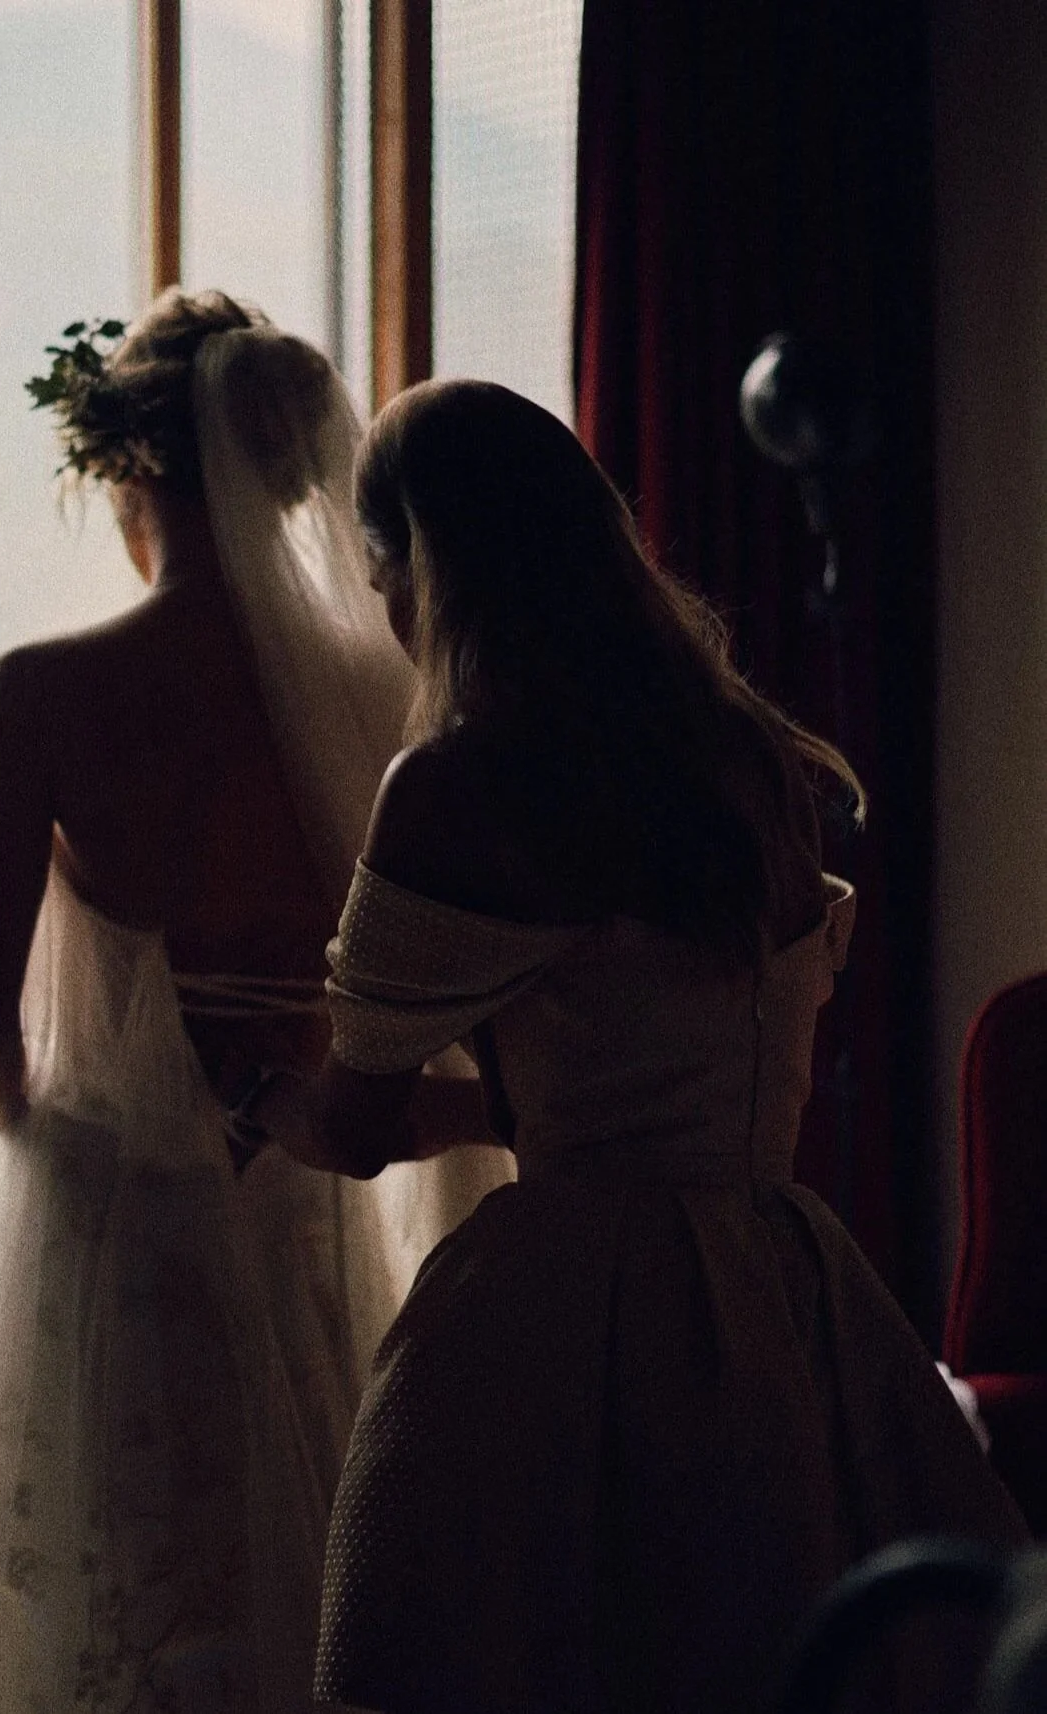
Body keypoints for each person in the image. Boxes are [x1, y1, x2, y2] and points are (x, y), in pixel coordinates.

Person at [300, 379, 1030, 1714]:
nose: (386, 616)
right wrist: (506, 1108)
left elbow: (351, 1127)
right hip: (786, 1276)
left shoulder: (460, 781)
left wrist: (253, 1077)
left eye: (380, 577)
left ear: (427, 569)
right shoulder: (753, 757)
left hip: (569, 1305)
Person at [0, 292, 503, 1714]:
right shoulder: (380, 695)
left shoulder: (44, 694)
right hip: (313, 1193)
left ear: (128, 468)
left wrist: (66, 1145)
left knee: (108, 1598)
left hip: (124, 1209)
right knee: (313, 1575)